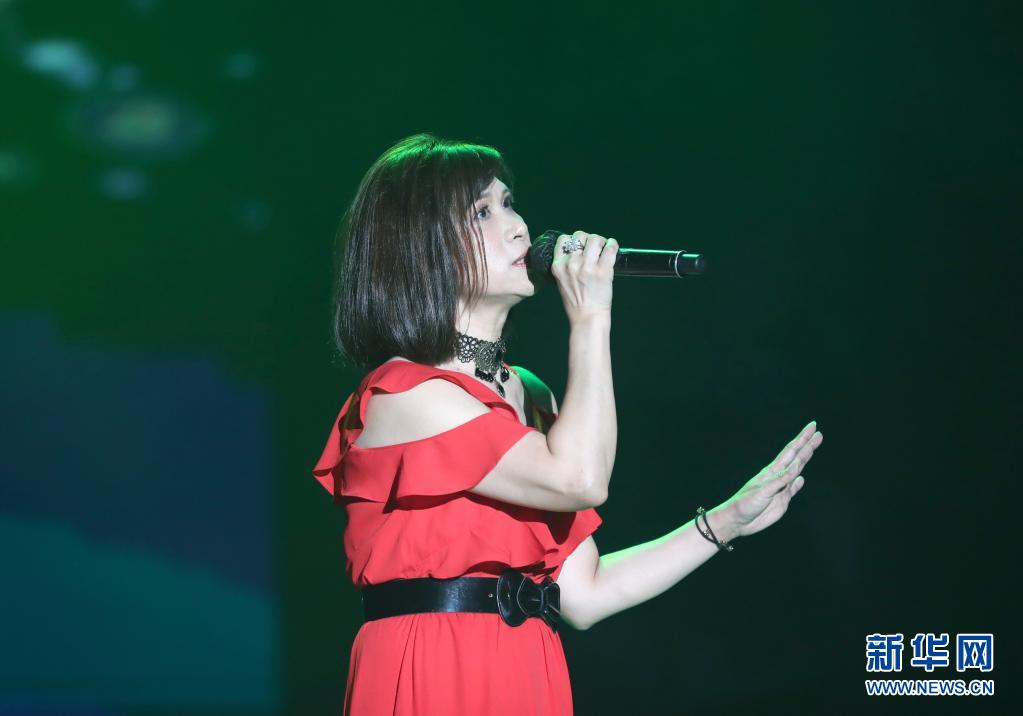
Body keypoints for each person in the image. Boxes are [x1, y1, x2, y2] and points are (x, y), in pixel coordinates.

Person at [312, 133, 824, 715]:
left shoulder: (529, 393)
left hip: (527, 671)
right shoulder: (404, 394)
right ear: (420, 250)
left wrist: (727, 519)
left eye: (509, 203)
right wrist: (591, 317)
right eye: (482, 212)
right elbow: (580, 480)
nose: (518, 227)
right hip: (434, 669)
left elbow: (585, 593)